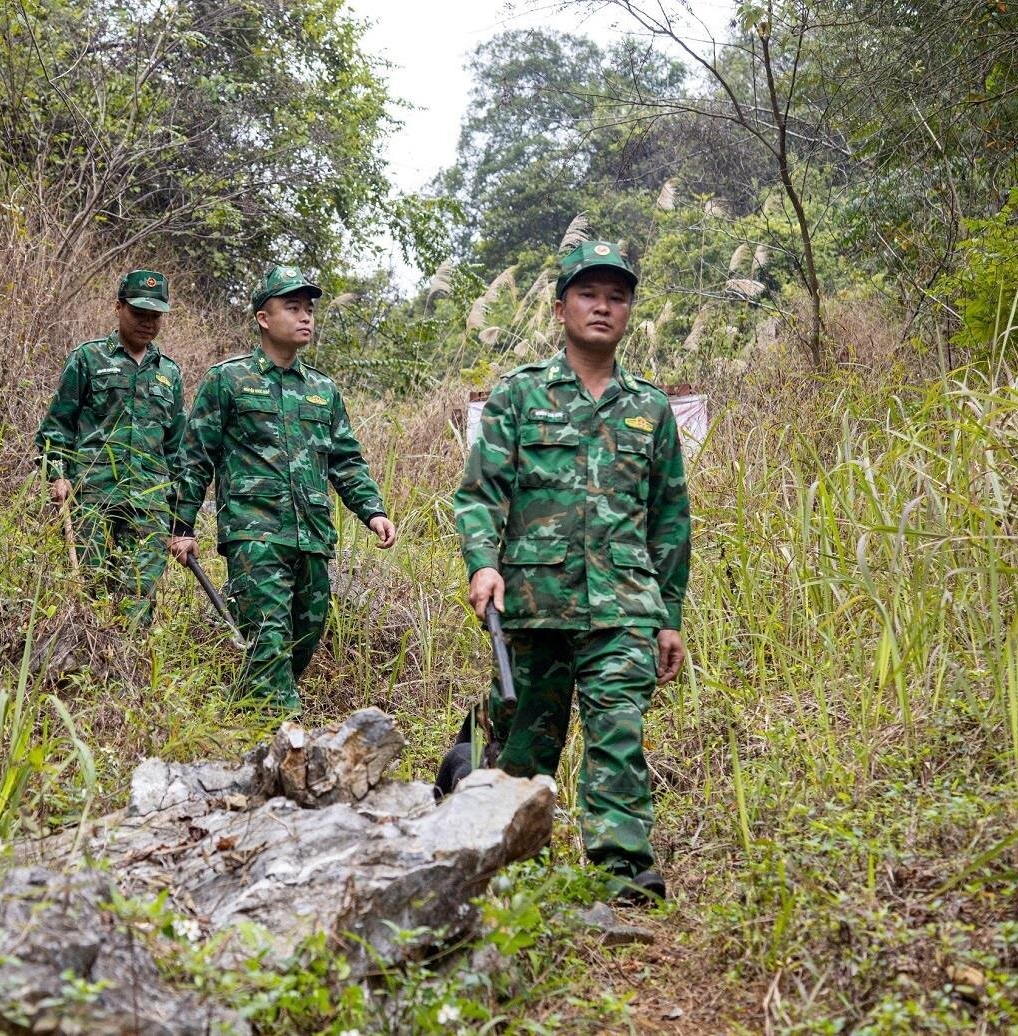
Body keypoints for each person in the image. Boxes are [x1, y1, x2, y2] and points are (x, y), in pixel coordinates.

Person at [453, 240, 690, 903]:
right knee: (528, 740)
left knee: (618, 731)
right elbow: (478, 495)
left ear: (627, 313)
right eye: (588, 294)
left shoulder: (648, 408)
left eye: (616, 297)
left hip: (624, 605)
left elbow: (670, 518)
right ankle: (504, 860)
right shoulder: (519, 396)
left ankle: (621, 868)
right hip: (534, 600)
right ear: (560, 309)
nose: (602, 307)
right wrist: (482, 565)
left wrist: (667, 618)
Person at [168, 265, 397, 712]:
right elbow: (195, 457)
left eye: (309, 309)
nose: (305, 317)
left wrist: (373, 511)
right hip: (255, 536)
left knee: (302, 642)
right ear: (263, 318)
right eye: (292, 308)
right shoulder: (228, 380)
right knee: (268, 642)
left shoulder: (322, 391)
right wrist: (182, 524)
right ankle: (289, 744)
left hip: (311, 537)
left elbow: (346, 460)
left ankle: (243, 723)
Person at [34, 270, 186, 626]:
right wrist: (57, 475)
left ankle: (126, 671)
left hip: (149, 505)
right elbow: (57, 427)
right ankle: (88, 668)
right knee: (89, 589)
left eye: (156, 316)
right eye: (139, 313)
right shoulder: (87, 359)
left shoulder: (169, 374)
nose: (148, 323)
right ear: (118, 307)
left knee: (138, 597)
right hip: (93, 496)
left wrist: (181, 514)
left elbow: (179, 448)